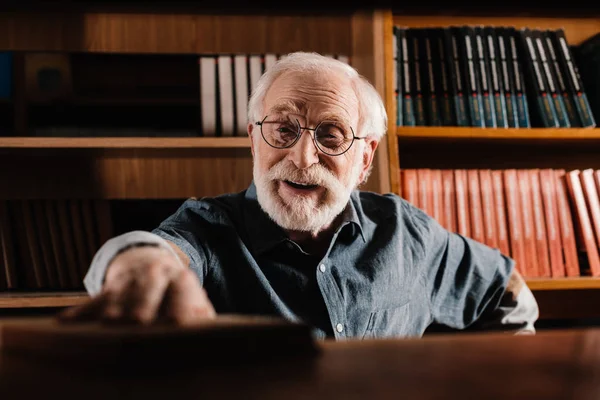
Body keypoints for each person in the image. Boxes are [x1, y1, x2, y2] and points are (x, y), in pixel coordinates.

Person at [61, 52, 539, 339]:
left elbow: (504, 290)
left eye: (331, 135)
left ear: (365, 158)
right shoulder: (207, 229)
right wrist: (135, 260)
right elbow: (157, 252)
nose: (303, 157)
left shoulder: (405, 231)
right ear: (254, 139)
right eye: (283, 130)